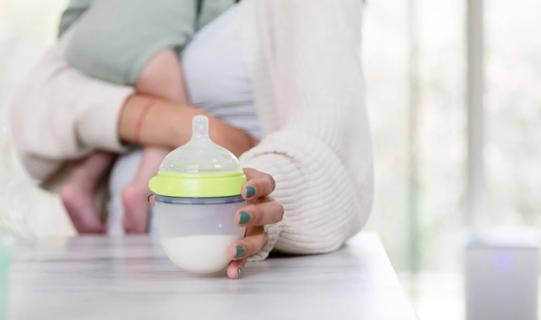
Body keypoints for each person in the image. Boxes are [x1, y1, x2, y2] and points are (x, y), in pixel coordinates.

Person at [9, 0, 373, 279]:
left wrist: (263, 187)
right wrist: (178, 124)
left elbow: (332, 145)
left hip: (242, 279)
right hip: (126, 271)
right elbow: (33, 109)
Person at [59, 0, 239, 234]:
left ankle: (79, 186)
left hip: (84, 40)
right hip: (146, 45)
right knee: (171, 114)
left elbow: (73, 13)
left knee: (118, 116)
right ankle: (140, 190)